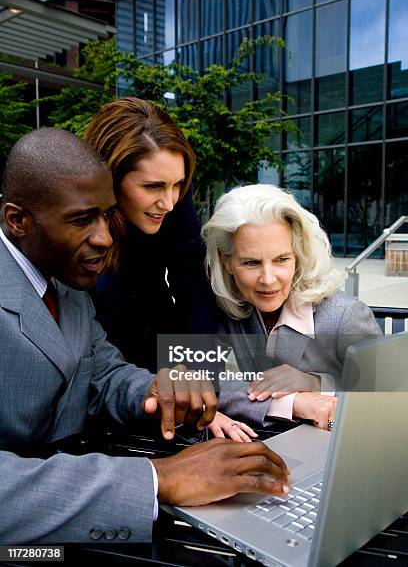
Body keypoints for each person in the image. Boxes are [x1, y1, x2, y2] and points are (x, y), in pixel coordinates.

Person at [0, 130, 291, 544]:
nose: (105, 238)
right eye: (83, 219)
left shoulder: (65, 280)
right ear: (17, 220)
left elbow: (101, 373)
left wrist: (159, 387)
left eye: (107, 215)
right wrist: (157, 479)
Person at [84, 97, 257, 442]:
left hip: (160, 335)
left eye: (178, 185)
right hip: (98, 356)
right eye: (153, 187)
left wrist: (202, 394)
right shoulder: (77, 211)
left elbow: (191, 280)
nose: (170, 202)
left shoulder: (171, 191)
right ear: (110, 177)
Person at [202, 184, 382, 430]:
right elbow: (195, 381)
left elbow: (386, 396)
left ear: (298, 255)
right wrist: (293, 401)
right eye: (251, 262)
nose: (268, 279)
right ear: (227, 262)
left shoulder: (345, 315)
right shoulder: (224, 308)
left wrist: (317, 384)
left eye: (281, 259)